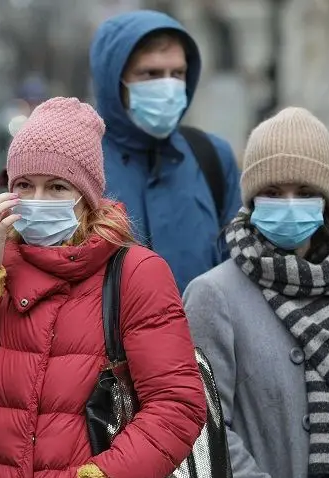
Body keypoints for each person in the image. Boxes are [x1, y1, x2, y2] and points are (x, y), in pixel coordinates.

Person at [0, 97, 206, 478]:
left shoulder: (135, 273)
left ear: (87, 196)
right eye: (25, 184)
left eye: (58, 187)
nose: (37, 200)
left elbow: (178, 403)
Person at [183, 107, 329, 478]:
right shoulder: (212, 294)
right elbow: (205, 424)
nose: (289, 205)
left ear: (326, 200)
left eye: (304, 190)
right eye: (273, 191)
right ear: (253, 198)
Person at [90, 10, 242, 293]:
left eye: (178, 74)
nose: (168, 86)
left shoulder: (212, 157)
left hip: (202, 336)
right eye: (151, 74)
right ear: (114, 80)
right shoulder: (79, 163)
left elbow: (236, 271)